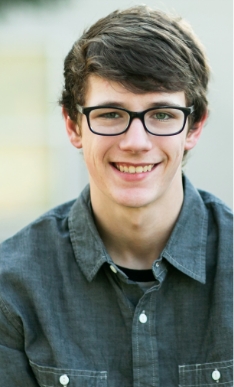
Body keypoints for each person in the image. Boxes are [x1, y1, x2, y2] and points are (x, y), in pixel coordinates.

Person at [0, 5, 232, 387]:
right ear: (73, 125)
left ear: (194, 126)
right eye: (110, 114)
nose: (136, 142)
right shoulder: (13, 288)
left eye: (161, 114)